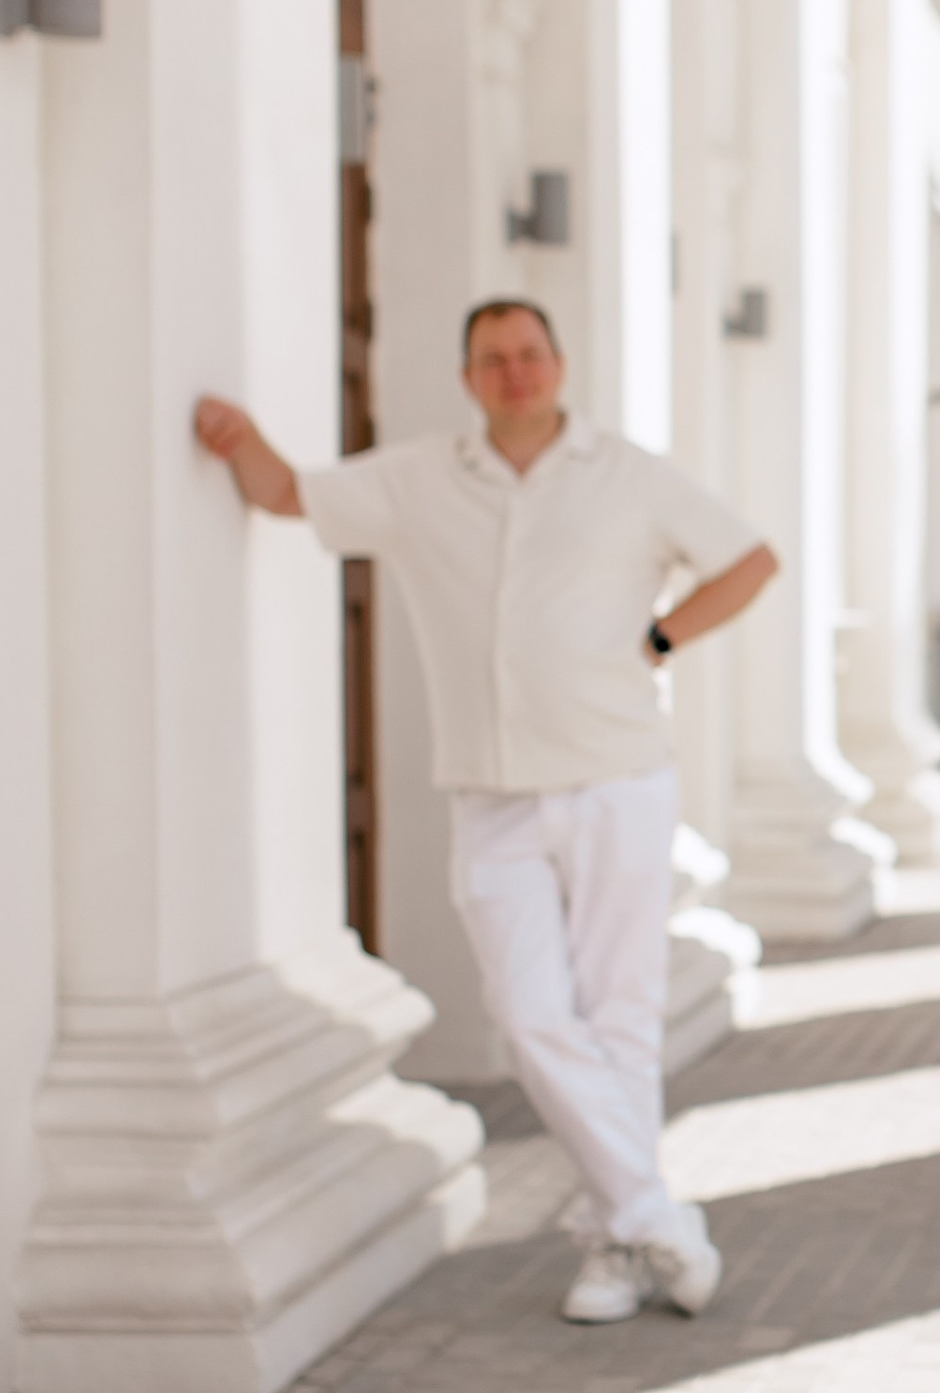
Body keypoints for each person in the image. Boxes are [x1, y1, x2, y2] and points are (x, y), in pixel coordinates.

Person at [193, 298, 778, 1327]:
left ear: (558, 364)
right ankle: (657, 1220)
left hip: (616, 778)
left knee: (620, 1020)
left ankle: (615, 1244)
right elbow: (290, 495)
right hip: (492, 794)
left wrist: (659, 640)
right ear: (468, 378)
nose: (515, 373)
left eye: (530, 355)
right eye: (492, 359)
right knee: (528, 1014)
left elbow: (750, 561)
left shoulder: (627, 475)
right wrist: (237, 439)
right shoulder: (422, 478)